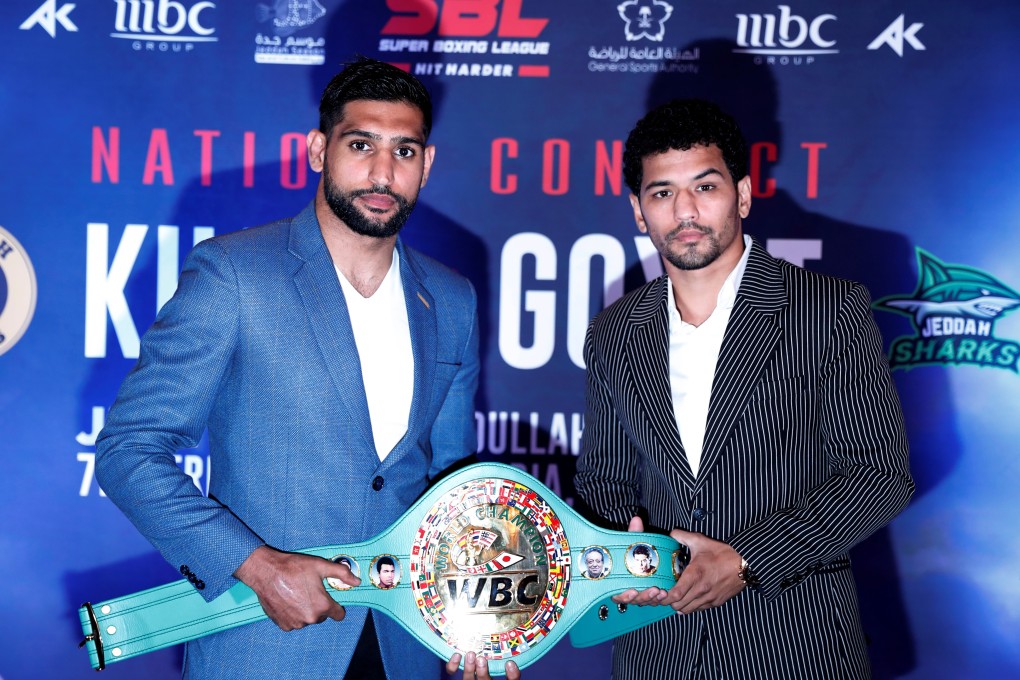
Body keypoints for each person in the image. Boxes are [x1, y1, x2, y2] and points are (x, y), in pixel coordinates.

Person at [96, 57, 517, 680]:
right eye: (360, 144)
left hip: (405, 648)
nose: (382, 171)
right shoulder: (234, 275)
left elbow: (451, 489)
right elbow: (129, 450)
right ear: (319, 149)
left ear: (426, 166)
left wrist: (479, 616)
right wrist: (258, 567)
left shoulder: (452, 299)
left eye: (404, 151)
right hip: (264, 643)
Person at [574, 99, 914, 679]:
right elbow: (604, 483)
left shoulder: (829, 311)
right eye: (661, 193)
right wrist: (623, 567)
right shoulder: (613, 333)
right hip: (658, 651)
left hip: (795, 647)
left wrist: (746, 559)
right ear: (638, 211)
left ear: (744, 194)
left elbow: (880, 476)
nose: (685, 210)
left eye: (705, 187)